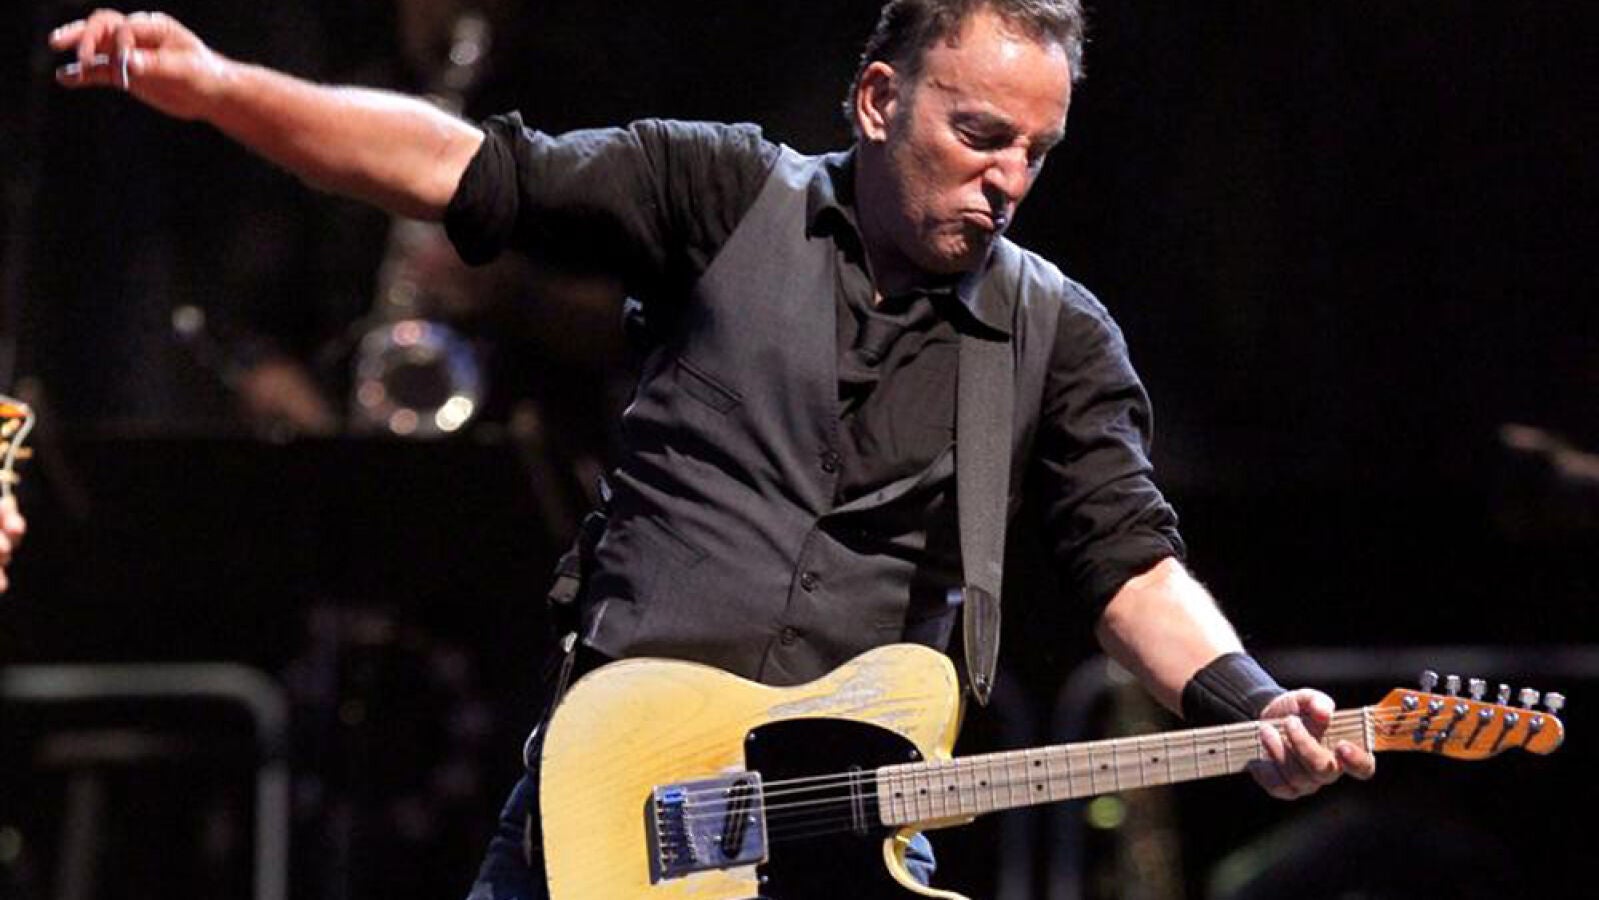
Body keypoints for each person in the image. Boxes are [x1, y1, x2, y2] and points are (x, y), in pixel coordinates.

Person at [45, 1, 1377, 896]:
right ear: (877, 98)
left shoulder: (1056, 335)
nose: (1008, 181)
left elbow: (1131, 564)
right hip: (618, 791)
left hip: (840, 838)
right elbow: (458, 169)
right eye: (979, 136)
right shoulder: (722, 193)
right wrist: (219, 89)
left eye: (1036, 152)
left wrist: (1251, 702)